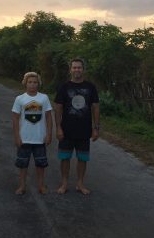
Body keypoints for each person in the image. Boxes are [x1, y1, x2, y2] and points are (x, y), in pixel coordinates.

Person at [54, 58, 99, 195]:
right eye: (74, 67)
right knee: (65, 157)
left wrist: (96, 128)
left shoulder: (90, 87)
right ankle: (64, 183)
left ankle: (80, 184)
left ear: (83, 69)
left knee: (82, 158)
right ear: (70, 70)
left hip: (84, 130)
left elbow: (95, 107)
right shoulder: (64, 87)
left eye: (79, 67)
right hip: (66, 129)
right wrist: (58, 127)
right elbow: (58, 108)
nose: (77, 70)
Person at [11, 72, 53, 195]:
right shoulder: (20, 99)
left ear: (38, 83)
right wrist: (17, 136)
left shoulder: (44, 98)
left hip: (40, 138)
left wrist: (49, 134)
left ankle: (41, 186)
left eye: (35, 82)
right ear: (25, 83)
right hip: (24, 138)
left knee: (41, 164)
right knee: (23, 164)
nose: (32, 84)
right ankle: (22, 186)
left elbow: (49, 117)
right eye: (30, 82)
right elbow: (15, 118)